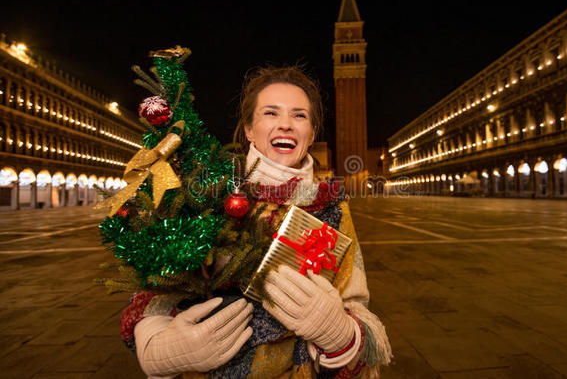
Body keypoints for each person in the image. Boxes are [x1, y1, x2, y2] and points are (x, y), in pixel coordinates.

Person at [120, 65, 392, 379]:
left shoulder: (332, 209)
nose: (286, 125)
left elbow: (356, 304)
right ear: (249, 129)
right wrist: (161, 346)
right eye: (271, 113)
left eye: (300, 115)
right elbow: (154, 288)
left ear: (312, 133)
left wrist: (340, 335)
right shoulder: (206, 193)